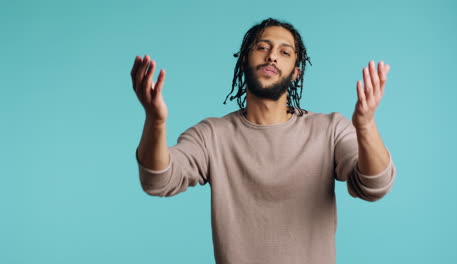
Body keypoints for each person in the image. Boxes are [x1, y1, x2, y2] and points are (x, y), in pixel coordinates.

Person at [130, 18, 396, 264]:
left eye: (285, 52)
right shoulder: (211, 135)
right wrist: (155, 122)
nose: (272, 56)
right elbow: (158, 181)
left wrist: (366, 125)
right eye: (263, 47)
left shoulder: (330, 130)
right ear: (244, 59)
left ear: (296, 73)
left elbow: (375, 185)